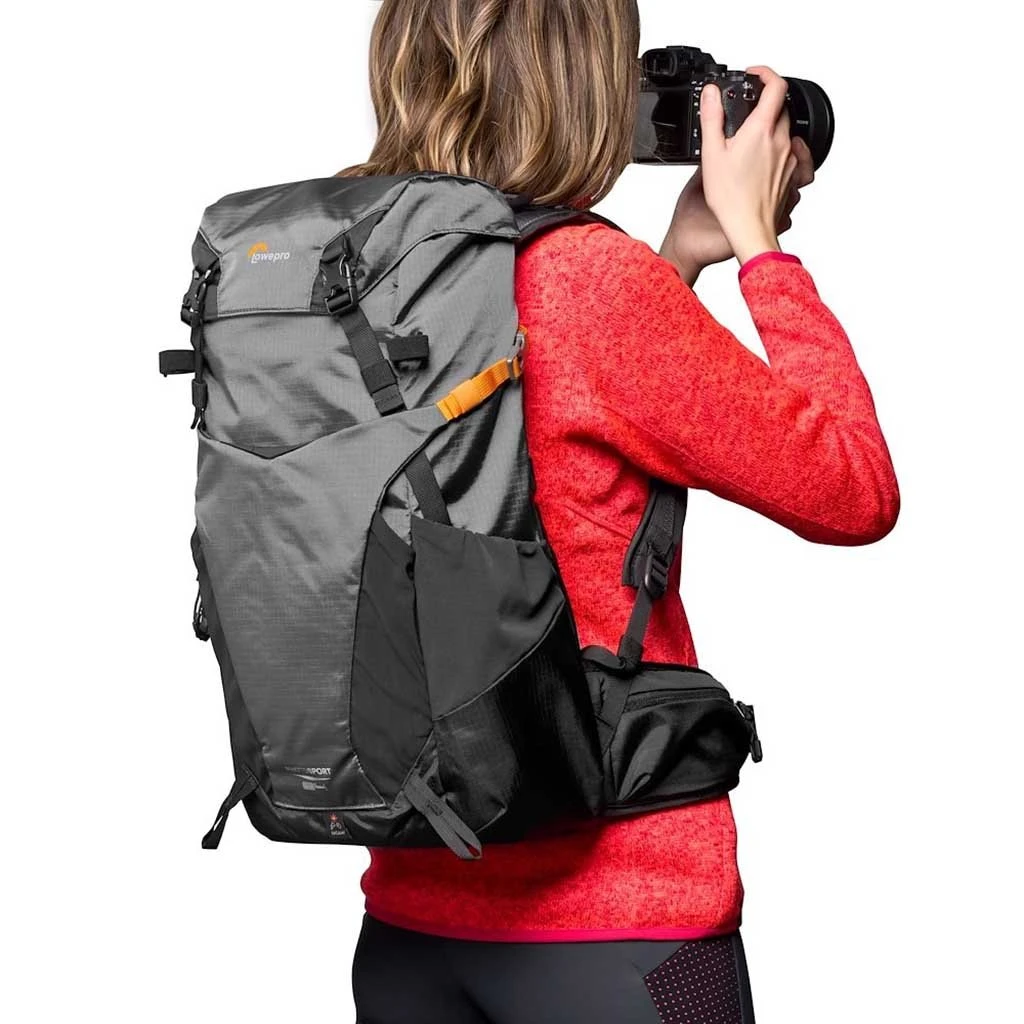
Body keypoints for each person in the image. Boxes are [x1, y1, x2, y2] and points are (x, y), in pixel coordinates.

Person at [340, 2, 900, 1022]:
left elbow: (543, 438)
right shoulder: (589, 283)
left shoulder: (356, 276)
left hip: (411, 929)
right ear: (586, 80)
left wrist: (673, 262)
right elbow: (853, 488)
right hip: (615, 936)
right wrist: (760, 248)